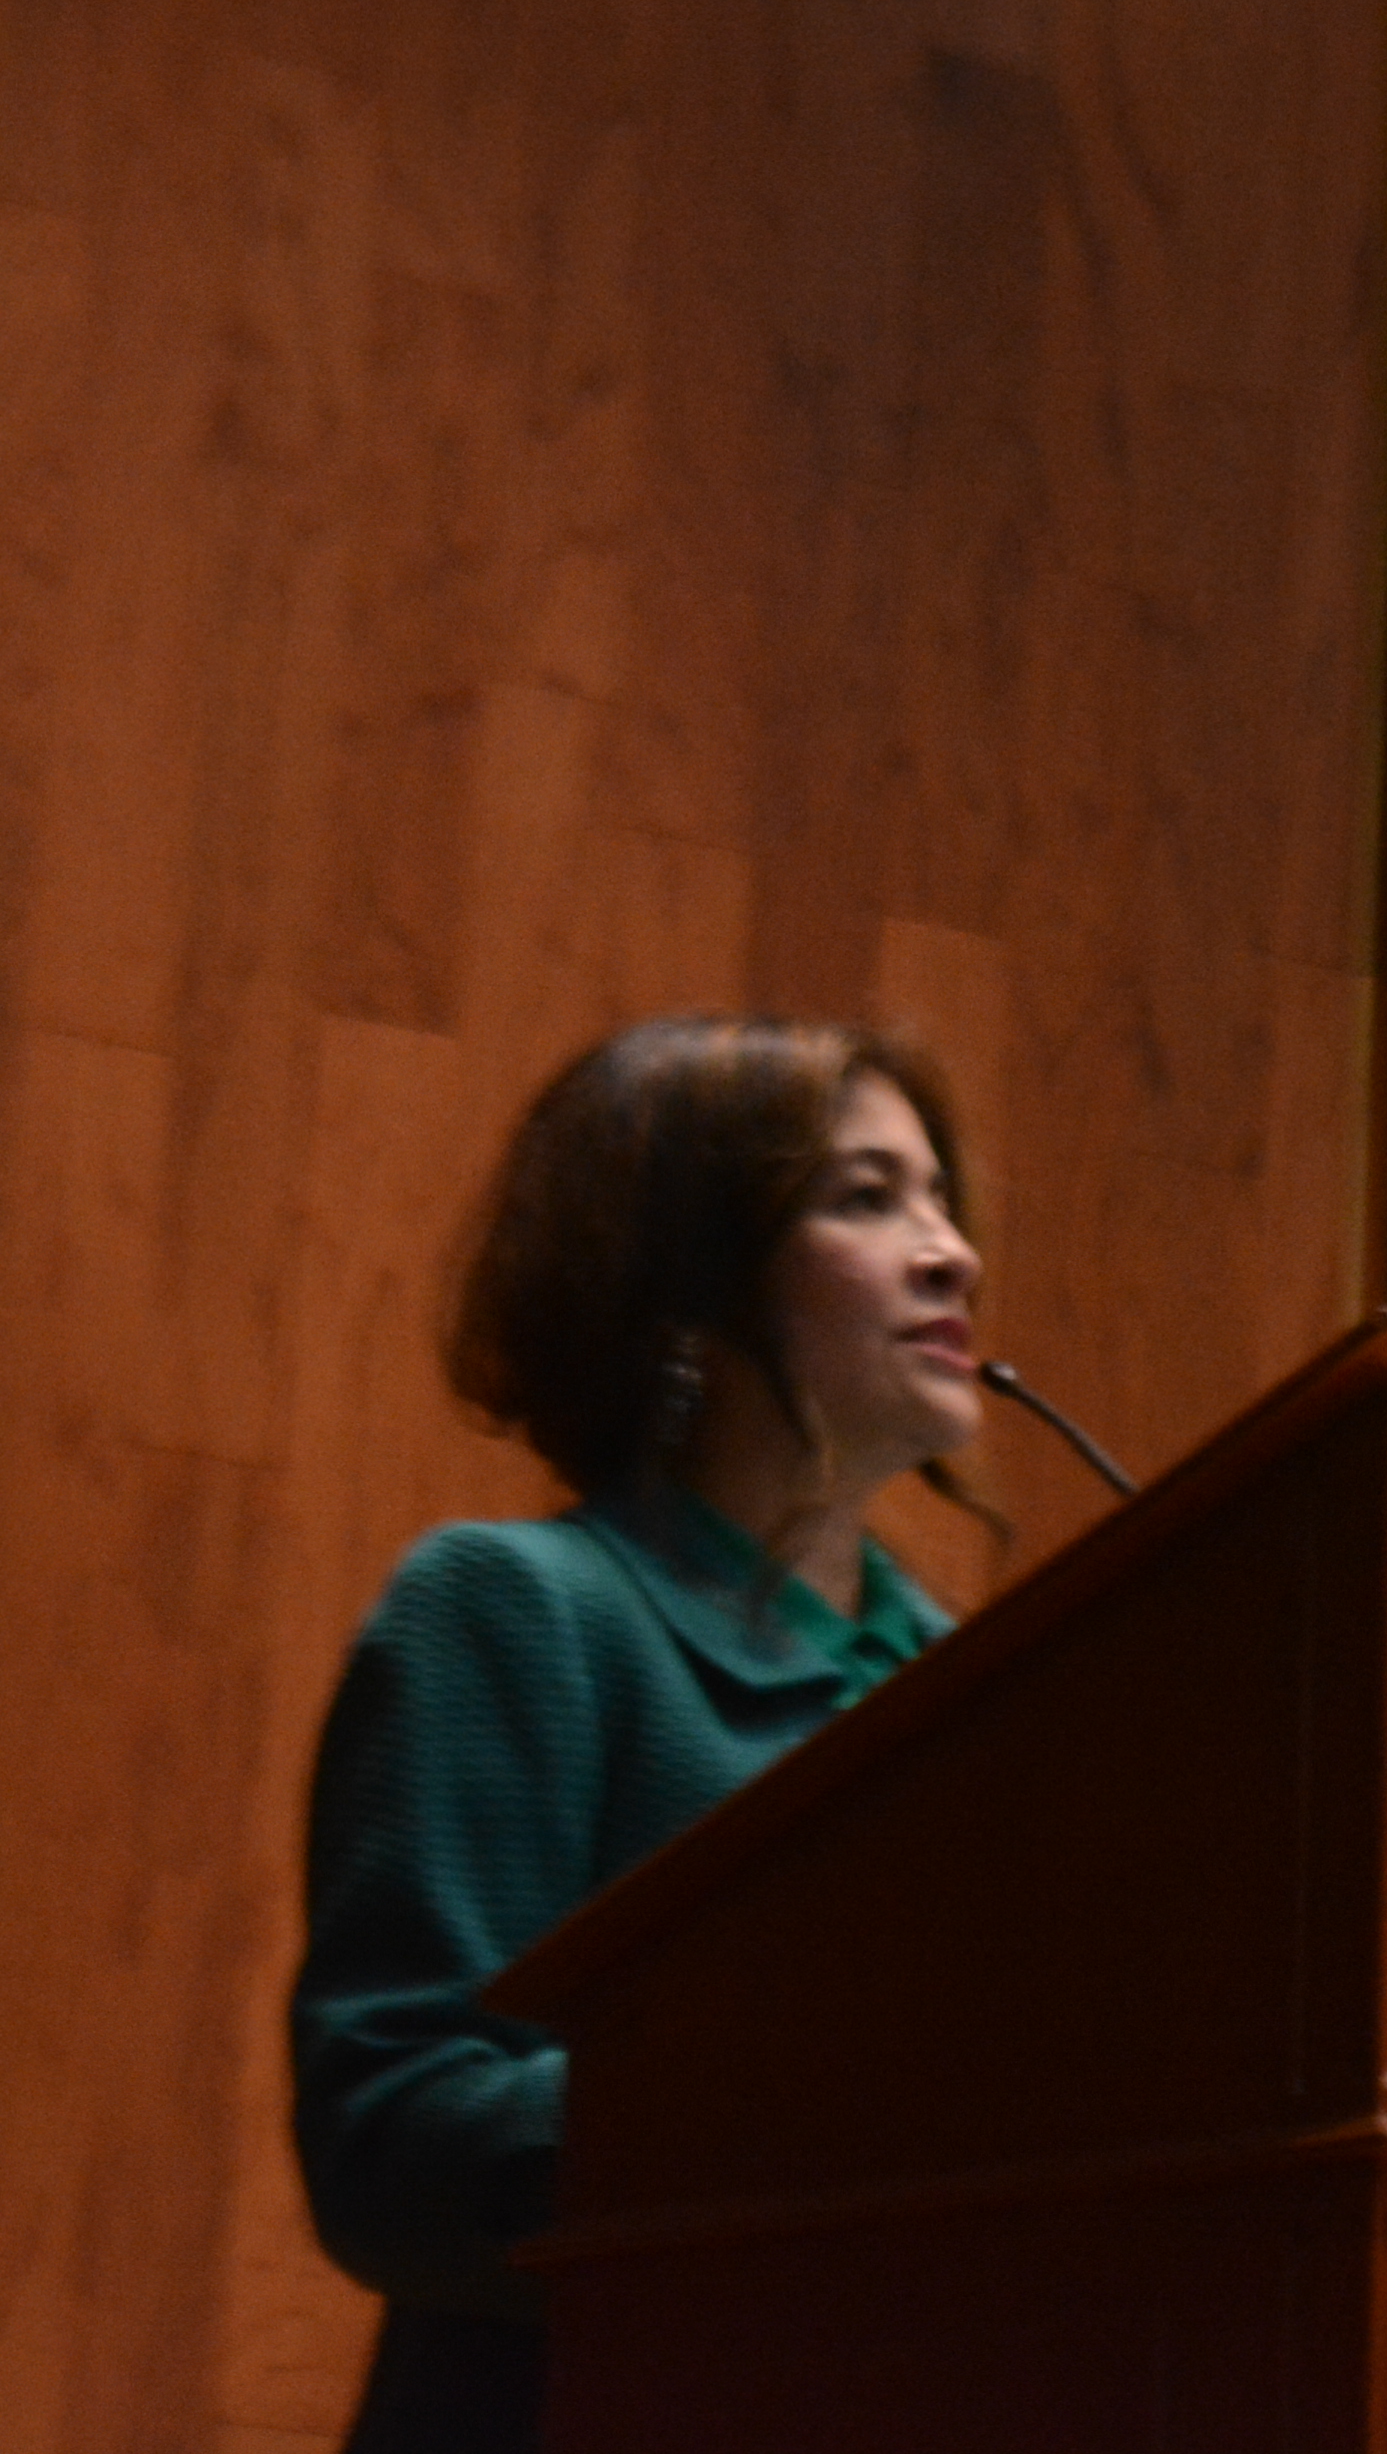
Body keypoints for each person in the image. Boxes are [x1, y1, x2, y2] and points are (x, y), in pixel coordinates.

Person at [289, 1017, 1000, 2454]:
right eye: (867, 1200)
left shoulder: (994, 1693)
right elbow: (398, 2131)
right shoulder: (515, 1613)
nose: (953, 1255)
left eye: (940, 1198)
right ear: (685, 1289)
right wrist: (823, 2116)